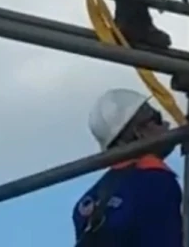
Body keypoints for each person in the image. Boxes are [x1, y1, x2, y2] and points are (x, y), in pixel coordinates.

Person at [73, 88, 182, 247]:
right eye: (157, 118)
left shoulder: (86, 201)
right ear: (139, 132)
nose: (167, 124)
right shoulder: (156, 183)